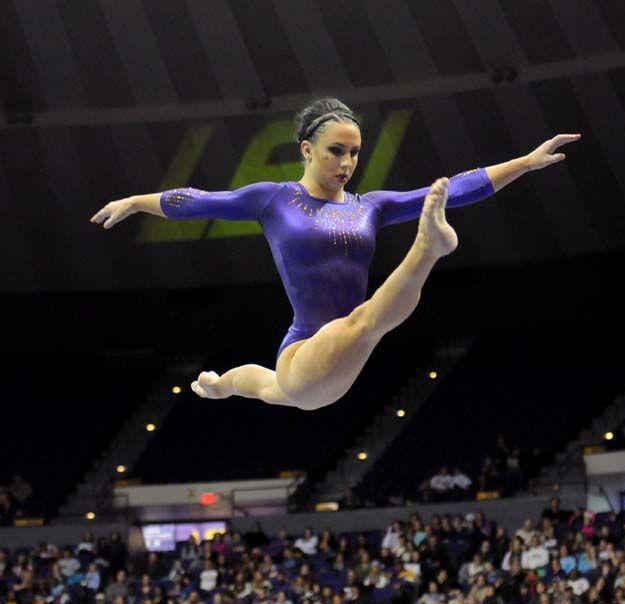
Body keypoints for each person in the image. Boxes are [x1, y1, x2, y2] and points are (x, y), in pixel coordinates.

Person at [92, 97, 579, 411]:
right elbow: (198, 202)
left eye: (354, 153)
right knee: (364, 322)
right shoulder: (272, 198)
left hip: (333, 366)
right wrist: (136, 201)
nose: (346, 163)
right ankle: (429, 249)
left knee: (264, 385)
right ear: (306, 149)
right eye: (334, 151)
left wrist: (528, 163)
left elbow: (460, 187)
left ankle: (218, 385)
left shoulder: (373, 207)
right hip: (309, 347)